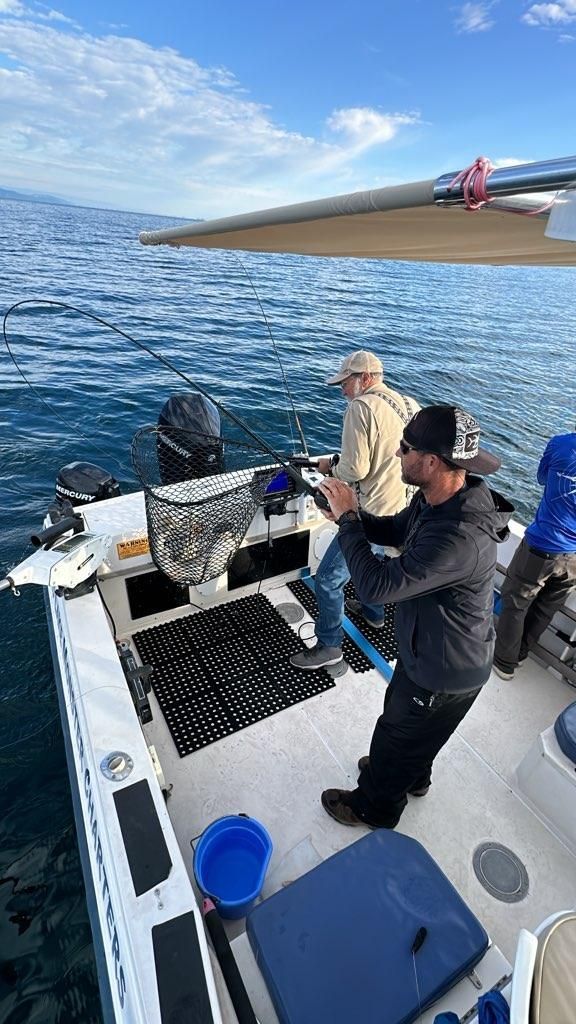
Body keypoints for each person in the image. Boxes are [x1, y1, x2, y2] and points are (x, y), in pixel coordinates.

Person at [314, 404, 512, 829]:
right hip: (432, 649)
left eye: (404, 448)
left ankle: (373, 809)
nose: (396, 454)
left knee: (395, 734)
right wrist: (351, 518)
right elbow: (393, 530)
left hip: (444, 669)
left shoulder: (458, 536)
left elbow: (375, 587)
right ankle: (414, 778)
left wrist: (348, 520)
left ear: (432, 461)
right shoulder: (438, 499)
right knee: (417, 734)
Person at [290, 349, 419, 671]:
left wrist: (331, 467)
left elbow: (355, 470)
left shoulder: (361, 407)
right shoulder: (409, 404)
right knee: (375, 565)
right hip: (404, 512)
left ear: (366, 378)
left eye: (345, 383)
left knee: (328, 579)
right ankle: (374, 613)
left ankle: (329, 646)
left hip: (372, 513)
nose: (343, 391)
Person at [493, 427, 576, 680]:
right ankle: (519, 654)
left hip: (542, 546)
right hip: (574, 558)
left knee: (516, 601)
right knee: (546, 608)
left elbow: (542, 478)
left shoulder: (561, 444)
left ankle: (504, 662)